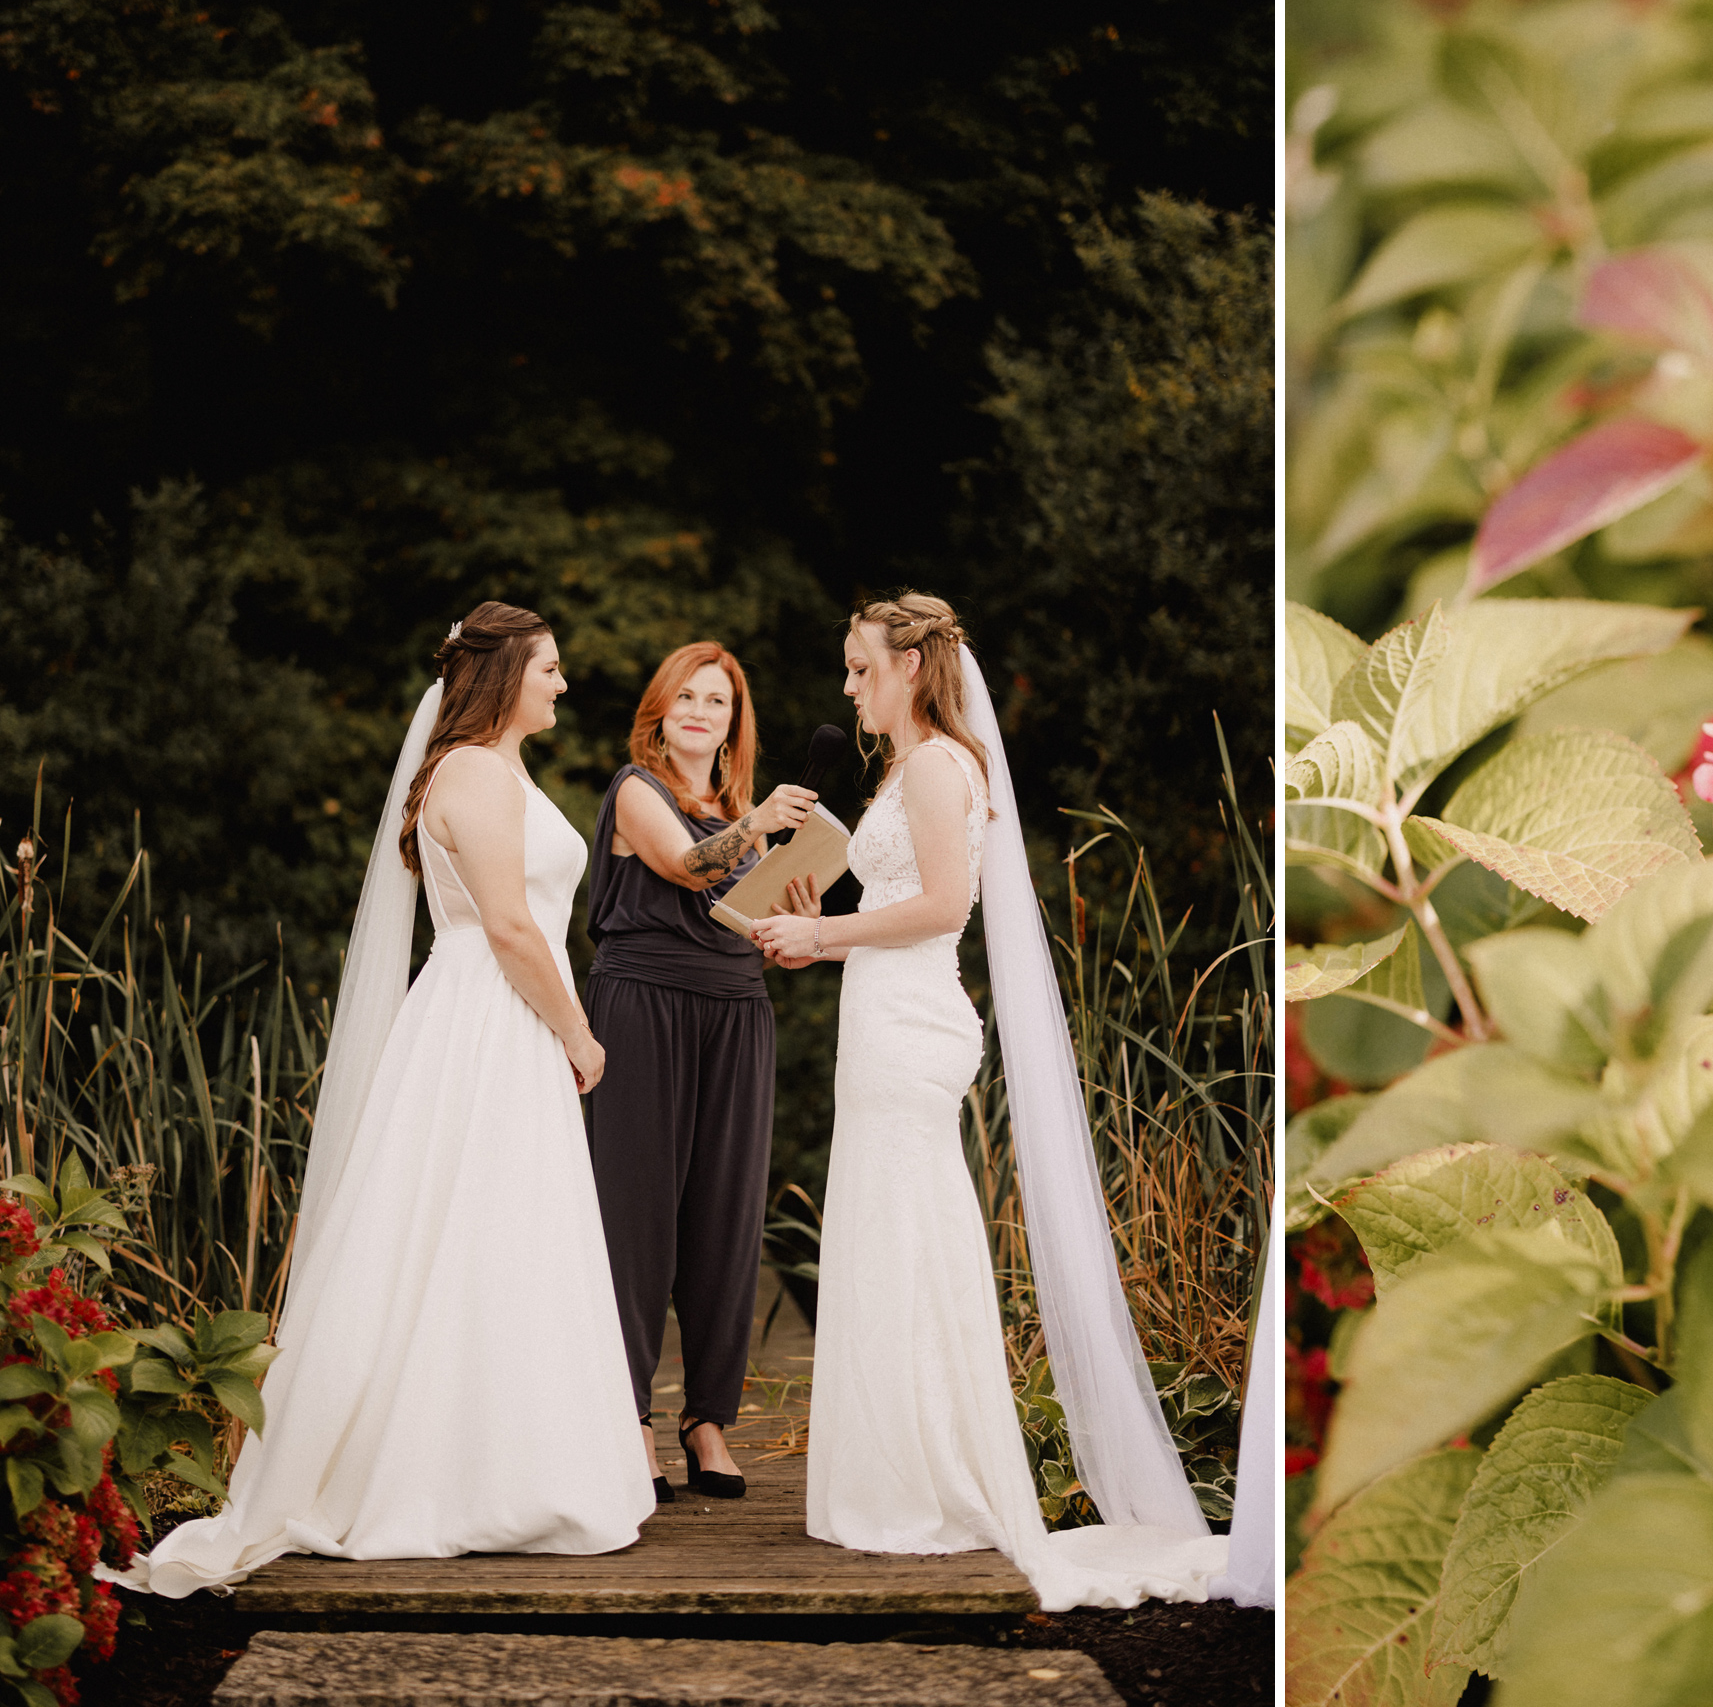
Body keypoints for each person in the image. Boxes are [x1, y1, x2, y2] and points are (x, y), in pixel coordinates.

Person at [116, 602, 653, 1597]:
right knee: (462, 1231)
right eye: (551, 667)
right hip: (489, 1018)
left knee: (503, 1236)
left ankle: (514, 1467)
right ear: (504, 675)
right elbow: (506, 924)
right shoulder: (473, 774)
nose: (563, 683)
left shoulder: (496, 769)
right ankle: (447, 1480)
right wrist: (578, 1032)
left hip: (502, 1016)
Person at [748, 593, 1228, 1611]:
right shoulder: (914, 768)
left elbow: (943, 906)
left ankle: (925, 1483)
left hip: (908, 1020)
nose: (847, 686)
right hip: (885, 1012)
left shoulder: (931, 765)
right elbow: (896, 900)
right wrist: (814, 911)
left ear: (910, 667)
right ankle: (901, 1470)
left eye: (858, 667)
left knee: (909, 1228)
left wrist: (821, 940)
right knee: (890, 1231)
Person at [583, 642, 814, 1500]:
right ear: (659, 709)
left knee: (726, 1214)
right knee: (636, 1214)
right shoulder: (633, 792)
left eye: (716, 700)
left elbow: (765, 920)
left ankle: (707, 1419)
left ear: (732, 723)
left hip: (737, 1008)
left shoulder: (746, 813)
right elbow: (686, 866)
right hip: (643, 1004)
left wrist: (800, 918)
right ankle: (628, 1417)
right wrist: (760, 829)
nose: (699, 710)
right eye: (685, 695)